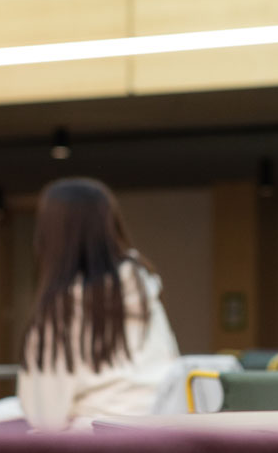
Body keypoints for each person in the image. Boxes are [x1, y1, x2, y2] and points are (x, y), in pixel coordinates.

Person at [16, 178, 181, 431]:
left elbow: (45, 417)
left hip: (94, 445)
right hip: (162, 430)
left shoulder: (61, 308)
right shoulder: (143, 287)